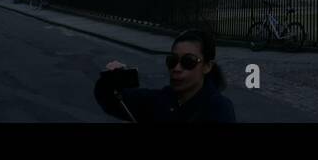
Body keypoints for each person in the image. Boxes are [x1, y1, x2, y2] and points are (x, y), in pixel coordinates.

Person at [94, 29, 236, 123]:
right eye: (172, 61)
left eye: (188, 62)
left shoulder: (219, 109)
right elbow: (111, 101)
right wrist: (112, 80)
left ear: (207, 66)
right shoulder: (160, 100)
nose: (177, 68)